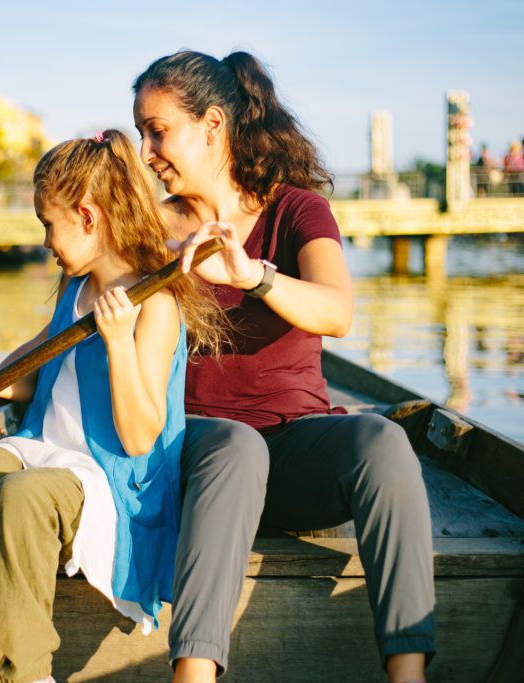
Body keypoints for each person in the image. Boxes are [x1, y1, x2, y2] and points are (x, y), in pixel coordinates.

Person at [132, 50, 434, 683]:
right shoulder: (149, 232)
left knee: (383, 438)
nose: (146, 150)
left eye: (156, 130)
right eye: (140, 133)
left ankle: (409, 675)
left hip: (292, 459)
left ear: (212, 125)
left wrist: (252, 276)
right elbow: (75, 331)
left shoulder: (296, 210)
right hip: (192, 458)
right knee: (237, 446)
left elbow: (337, 311)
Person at [0, 129, 226, 683]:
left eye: (49, 224)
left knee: (22, 496)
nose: (44, 240)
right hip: (43, 450)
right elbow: (30, 371)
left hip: (109, 479)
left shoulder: (155, 305)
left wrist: (118, 344)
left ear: (89, 218)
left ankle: (28, 672)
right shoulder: (76, 291)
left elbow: (141, 437)